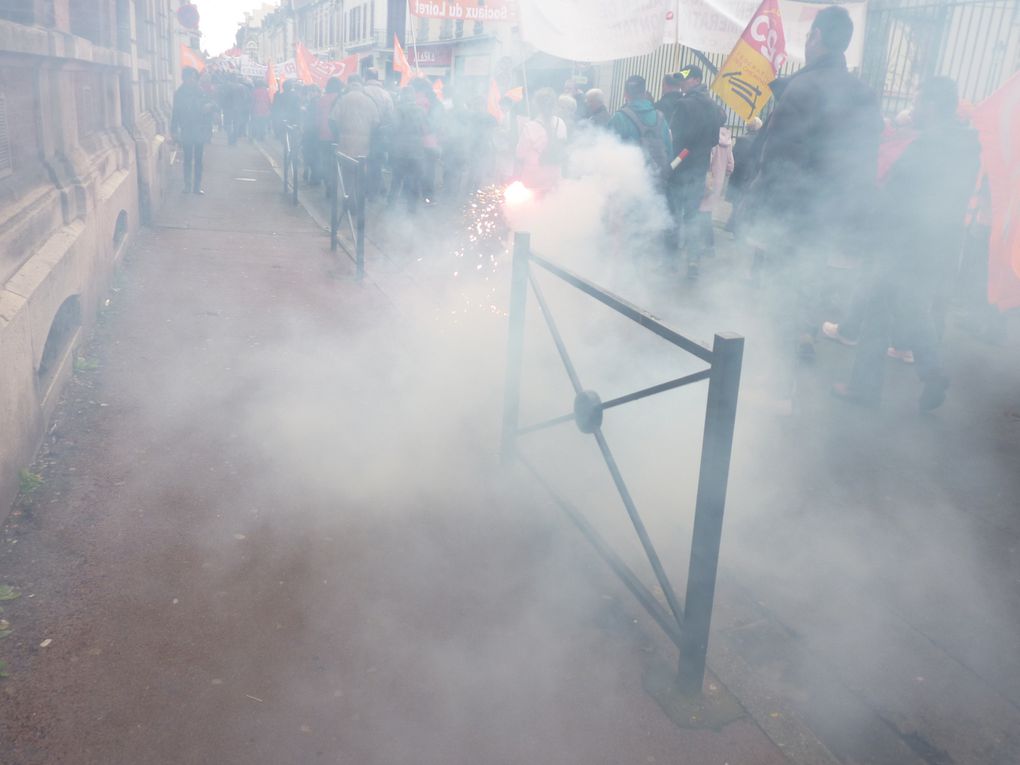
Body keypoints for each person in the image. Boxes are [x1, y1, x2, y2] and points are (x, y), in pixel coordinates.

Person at [743, 5, 882, 400]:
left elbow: (778, 162)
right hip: (830, 217)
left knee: (778, 298)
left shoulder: (803, 89)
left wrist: (753, 214)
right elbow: (864, 165)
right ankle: (783, 374)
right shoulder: (864, 95)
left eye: (808, 35)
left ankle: (775, 389)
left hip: (793, 215)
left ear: (818, 37)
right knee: (804, 292)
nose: (806, 42)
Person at [832, 77, 980, 411]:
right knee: (914, 310)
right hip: (937, 246)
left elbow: (895, 198)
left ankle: (864, 388)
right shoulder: (966, 146)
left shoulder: (926, 146)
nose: (913, 109)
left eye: (917, 101)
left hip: (901, 244)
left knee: (878, 313)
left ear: (930, 105)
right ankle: (933, 373)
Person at [667, 66, 726, 278]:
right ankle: (693, 261)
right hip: (699, 170)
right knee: (693, 217)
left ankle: (671, 260)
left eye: (685, 78)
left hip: (679, 169)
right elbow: (713, 140)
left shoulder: (682, 105)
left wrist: (672, 163)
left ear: (696, 79)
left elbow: (675, 139)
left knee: (674, 215)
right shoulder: (713, 107)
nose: (682, 83)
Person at [171, 66, 216, 194]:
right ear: (184, 78)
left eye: (194, 78)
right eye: (190, 78)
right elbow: (176, 112)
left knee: (198, 161)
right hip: (187, 129)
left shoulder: (200, 91)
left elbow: (213, 104)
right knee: (187, 159)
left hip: (199, 129)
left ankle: (196, 187)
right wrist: (173, 130)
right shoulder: (179, 93)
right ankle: (187, 186)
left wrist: (210, 106)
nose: (193, 80)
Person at [516, 87, 569, 194]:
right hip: (555, 176)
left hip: (534, 178)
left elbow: (519, 154)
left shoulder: (529, 127)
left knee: (534, 209)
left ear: (536, 105)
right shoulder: (561, 123)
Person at [698, 126, 734, 258]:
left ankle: (708, 246)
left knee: (703, 214)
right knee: (707, 212)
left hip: (707, 181)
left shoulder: (711, 137)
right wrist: (723, 174)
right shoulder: (728, 141)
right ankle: (707, 245)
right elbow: (731, 165)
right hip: (718, 182)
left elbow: (707, 161)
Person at [330, 74, 379, 159]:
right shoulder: (369, 100)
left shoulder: (342, 99)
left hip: (344, 144)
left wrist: (338, 133)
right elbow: (376, 122)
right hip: (364, 145)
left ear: (348, 84)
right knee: (360, 169)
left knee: (346, 169)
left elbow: (332, 119)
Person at [363, 69, 395, 198]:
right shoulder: (385, 94)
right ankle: (376, 189)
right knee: (376, 163)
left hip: (364, 132)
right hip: (380, 133)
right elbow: (391, 115)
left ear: (365, 77)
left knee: (364, 161)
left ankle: (368, 189)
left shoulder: (362, 92)